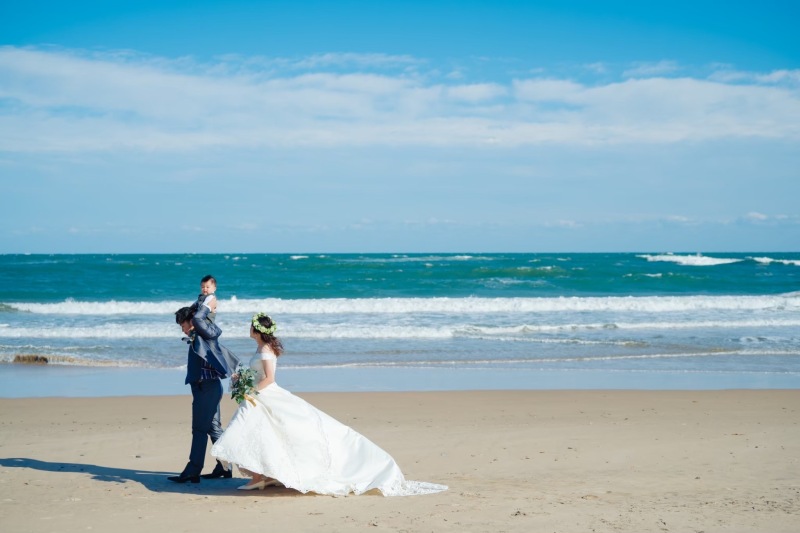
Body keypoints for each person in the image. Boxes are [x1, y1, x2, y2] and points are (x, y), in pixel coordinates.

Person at [210, 312, 448, 496]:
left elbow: (270, 379)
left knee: (258, 431)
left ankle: (260, 477)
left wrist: (250, 391)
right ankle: (263, 475)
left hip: (265, 395)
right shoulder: (262, 347)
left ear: (258, 330)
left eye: (251, 325)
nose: (249, 329)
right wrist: (245, 383)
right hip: (260, 396)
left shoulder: (265, 350)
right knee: (263, 434)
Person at [168, 305, 240, 484]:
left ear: (192, 321)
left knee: (199, 430)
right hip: (207, 388)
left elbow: (201, 318)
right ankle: (224, 467)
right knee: (213, 428)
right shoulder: (196, 336)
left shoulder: (205, 334)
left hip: (207, 389)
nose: (182, 328)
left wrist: (206, 304)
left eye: (182, 324)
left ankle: (193, 470)